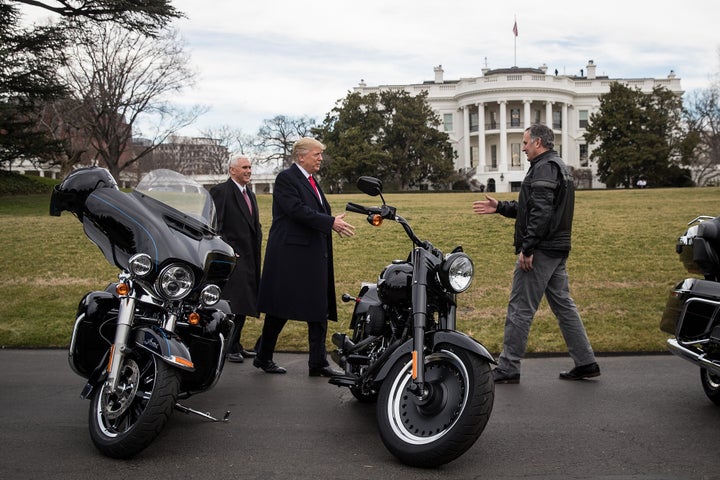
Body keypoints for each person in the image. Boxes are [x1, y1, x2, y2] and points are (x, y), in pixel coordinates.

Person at [472, 124, 600, 384]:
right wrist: (500, 207)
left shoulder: (543, 167)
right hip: (557, 248)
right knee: (565, 307)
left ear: (539, 142)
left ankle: (508, 366)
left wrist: (528, 248)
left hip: (541, 250)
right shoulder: (558, 166)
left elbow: (540, 213)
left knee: (520, 307)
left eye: (526, 142)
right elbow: (532, 208)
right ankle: (586, 362)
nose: (523, 147)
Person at [254, 137, 355, 375]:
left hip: (311, 254)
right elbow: (297, 210)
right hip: (290, 257)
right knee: (280, 308)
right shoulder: (286, 179)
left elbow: (313, 212)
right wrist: (330, 222)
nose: (320, 158)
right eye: (316, 154)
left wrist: (330, 223)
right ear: (301, 156)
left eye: (321, 154)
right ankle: (263, 356)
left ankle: (317, 363)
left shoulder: (311, 180)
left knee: (318, 306)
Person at [210, 156, 262, 363]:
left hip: (250, 256)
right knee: (235, 303)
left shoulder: (249, 193)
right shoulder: (221, 192)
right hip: (233, 257)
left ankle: (237, 344)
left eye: (250, 167)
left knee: (246, 302)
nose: (249, 171)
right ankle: (229, 347)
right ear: (232, 170)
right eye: (244, 168)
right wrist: (226, 249)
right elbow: (214, 225)